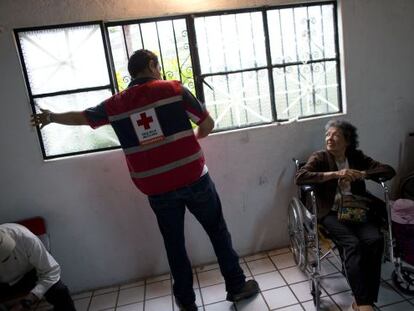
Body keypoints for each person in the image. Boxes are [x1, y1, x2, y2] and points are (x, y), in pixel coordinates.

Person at [31, 49, 259, 311]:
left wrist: (51, 117)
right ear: (152, 65)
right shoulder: (173, 89)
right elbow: (207, 125)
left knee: (174, 246)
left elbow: (82, 117)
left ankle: (186, 302)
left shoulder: (115, 105)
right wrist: (192, 139)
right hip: (194, 179)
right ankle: (237, 287)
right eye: (158, 66)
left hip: (158, 189)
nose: (160, 71)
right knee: (217, 231)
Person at [295, 120, 395, 311]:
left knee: (374, 239)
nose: (329, 138)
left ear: (347, 141)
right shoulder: (320, 157)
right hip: (331, 212)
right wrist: (334, 174)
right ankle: (364, 303)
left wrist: (362, 174)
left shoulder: (356, 156)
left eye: (336, 135)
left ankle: (364, 299)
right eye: (328, 135)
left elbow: (388, 170)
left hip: (356, 208)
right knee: (352, 243)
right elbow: (300, 177)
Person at [0, 223, 76, 311]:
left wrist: (27, 301)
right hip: (3, 283)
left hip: (30, 273)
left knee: (60, 291)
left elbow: (50, 271)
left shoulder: (25, 237)